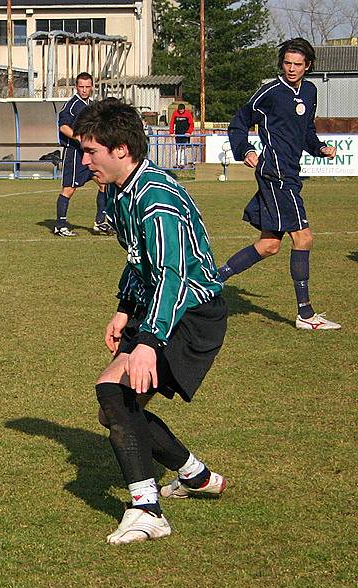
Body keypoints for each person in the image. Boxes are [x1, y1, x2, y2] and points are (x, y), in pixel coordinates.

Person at [74, 98, 228, 545]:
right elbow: (140, 259)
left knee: (115, 394)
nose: (85, 162)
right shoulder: (122, 192)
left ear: (120, 149)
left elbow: (173, 274)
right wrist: (124, 307)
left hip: (189, 313)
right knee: (116, 403)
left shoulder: (155, 197)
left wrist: (149, 342)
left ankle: (147, 508)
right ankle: (196, 476)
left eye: (91, 152)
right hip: (162, 308)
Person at [217, 38, 340, 330]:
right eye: (287, 63)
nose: (292, 69)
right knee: (304, 237)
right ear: (281, 63)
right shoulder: (270, 92)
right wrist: (245, 150)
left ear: (308, 66)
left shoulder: (310, 91)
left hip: (291, 174)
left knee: (269, 245)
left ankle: (211, 280)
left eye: (298, 64)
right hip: (275, 173)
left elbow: (306, 131)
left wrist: (320, 148)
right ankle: (306, 315)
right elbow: (239, 121)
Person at [52, 72, 112, 237]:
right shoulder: (72, 105)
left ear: (92, 87)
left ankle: (100, 222)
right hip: (75, 153)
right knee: (69, 189)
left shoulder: (92, 105)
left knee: (103, 184)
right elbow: (63, 127)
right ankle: (60, 225)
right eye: (81, 87)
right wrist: (79, 138)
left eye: (87, 87)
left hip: (91, 154)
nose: (84, 90)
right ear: (76, 87)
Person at [168, 103, 194, 168]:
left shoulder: (188, 114)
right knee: (178, 148)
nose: (180, 112)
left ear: (184, 109)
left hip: (185, 134)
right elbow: (171, 123)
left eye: (182, 110)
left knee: (183, 148)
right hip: (177, 133)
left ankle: (182, 163)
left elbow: (191, 124)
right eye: (179, 111)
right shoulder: (175, 113)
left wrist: (189, 132)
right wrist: (171, 132)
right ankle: (177, 163)